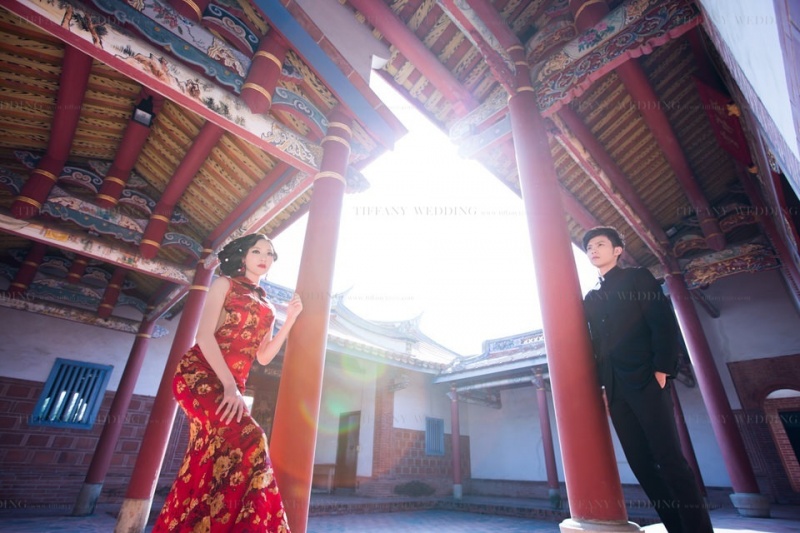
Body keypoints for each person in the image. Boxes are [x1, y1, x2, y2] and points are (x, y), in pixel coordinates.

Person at [153, 233, 302, 532]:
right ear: (243, 256)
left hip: (232, 385)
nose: (264, 257)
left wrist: (290, 321)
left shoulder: (269, 307)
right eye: (256, 251)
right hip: (199, 373)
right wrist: (229, 386)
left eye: (270, 253)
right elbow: (204, 335)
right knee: (253, 437)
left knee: (210, 453)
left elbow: (263, 357)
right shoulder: (225, 284)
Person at [581, 226, 712, 533]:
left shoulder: (637, 278)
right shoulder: (591, 298)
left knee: (670, 460)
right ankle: (675, 528)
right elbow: (594, 344)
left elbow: (662, 322)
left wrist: (662, 369)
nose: (593, 250)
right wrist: (603, 385)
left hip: (646, 380)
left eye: (600, 244)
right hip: (615, 389)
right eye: (589, 248)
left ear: (617, 250)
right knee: (641, 464)